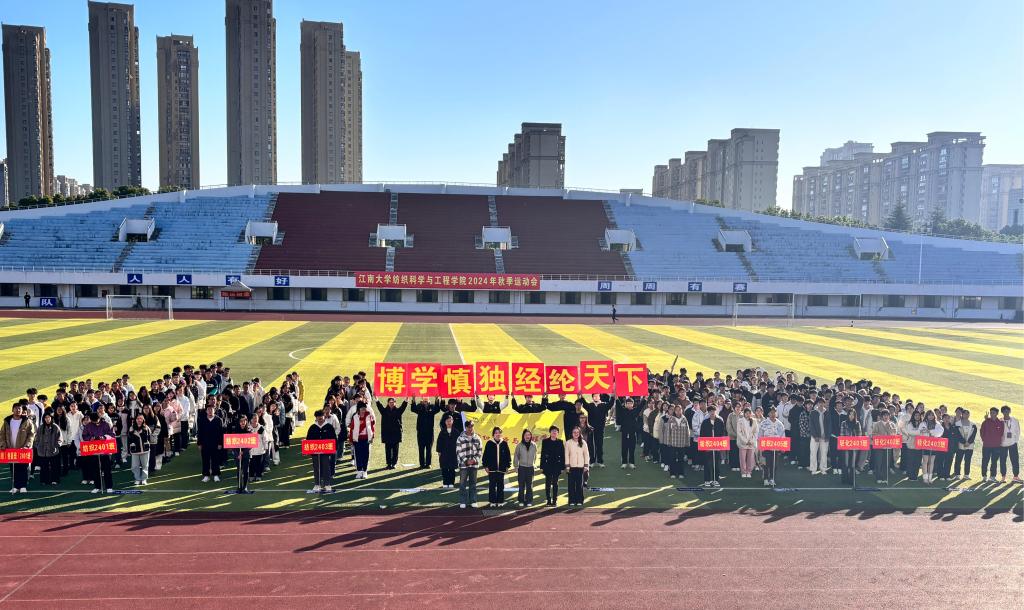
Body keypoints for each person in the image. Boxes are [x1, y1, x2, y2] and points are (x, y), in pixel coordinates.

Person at [1, 405, 36, 493]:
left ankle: (23, 486)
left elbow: (31, 434)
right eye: (16, 408)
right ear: (12, 410)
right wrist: (3, 444)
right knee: (13, 468)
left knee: (23, 468)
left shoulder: (27, 421)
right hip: (10, 449)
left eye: (19, 408)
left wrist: (27, 445)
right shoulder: (7, 421)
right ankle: (15, 486)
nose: (18, 410)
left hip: (23, 449)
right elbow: (2, 434)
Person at [81, 411, 114, 494]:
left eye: (96, 421)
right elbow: (84, 436)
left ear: (99, 418)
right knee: (95, 470)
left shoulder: (106, 424)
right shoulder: (88, 426)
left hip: (105, 450)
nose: (95, 422)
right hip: (94, 450)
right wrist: (90, 438)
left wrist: (104, 437)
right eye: (93, 421)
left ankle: (109, 487)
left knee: (107, 469)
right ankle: (97, 487)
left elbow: (112, 434)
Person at [482, 426, 512, 507]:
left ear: (501, 434)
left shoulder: (504, 443)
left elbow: (508, 456)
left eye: (499, 433)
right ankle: (492, 501)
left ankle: (500, 501)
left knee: (500, 486)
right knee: (492, 486)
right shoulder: (489, 443)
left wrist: (507, 466)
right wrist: (486, 466)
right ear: (493, 435)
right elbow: (485, 456)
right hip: (492, 470)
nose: (498, 434)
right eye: (496, 433)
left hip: (501, 469)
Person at [307, 410, 336, 493]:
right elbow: (308, 439)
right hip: (315, 452)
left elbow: (334, 438)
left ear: (324, 416)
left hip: (326, 452)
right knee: (316, 467)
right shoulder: (312, 427)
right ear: (316, 418)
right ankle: (317, 484)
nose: (320, 418)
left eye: (321, 416)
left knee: (326, 467)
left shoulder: (329, 427)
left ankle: (327, 484)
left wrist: (334, 449)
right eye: (318, 416)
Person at [456, 420, 483, 509]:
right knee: (462, 484)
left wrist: (474, 460)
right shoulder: (460, 438)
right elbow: (459, 451)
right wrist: (466, 461)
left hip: (474, 465)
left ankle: (473, 501)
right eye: (469, 427)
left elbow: (480, 451)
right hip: (464, 465)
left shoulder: (478, 438)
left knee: (473, 484)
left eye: (472, 426)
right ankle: (463, 501)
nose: (470, 428)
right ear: (465, 427)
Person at [377, 397, 408, 470]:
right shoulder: (384, 411)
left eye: (393, 402)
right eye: (390, 402)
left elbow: (403, 406)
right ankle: (388, 464)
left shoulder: (398, 411)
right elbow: (379, 406)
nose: (391, 403)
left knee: (395, 450)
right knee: (387, 449)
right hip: (387, 433)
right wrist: (376, 399)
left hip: (396, 433)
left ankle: (394, 463)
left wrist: (406, 399)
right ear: (388, 403)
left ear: (395, 403)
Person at [348, 401, 376, 480]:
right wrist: (350, 439)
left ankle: (365, 471)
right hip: (357, 440)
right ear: (358, 409)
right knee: (358, 456)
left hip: (366, 439)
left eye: (364, 408)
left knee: (365, 455)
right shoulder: (355, 417)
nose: (363, 410)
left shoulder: (369, 416)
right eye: (362, 409)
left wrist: (372, 437)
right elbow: (352, 429)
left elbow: (372, 427)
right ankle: (359, 471)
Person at [758, 408, 785, 487]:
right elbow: (760, 435)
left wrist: (783, 447)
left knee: (774, 464)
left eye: (774, 412)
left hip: (776, 447)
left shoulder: (780, 424)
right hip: (766, 446)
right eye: (771, 412)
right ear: (768, 413)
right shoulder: (763, 423)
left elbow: (782, 436)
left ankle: (772, 478)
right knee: (766, 463)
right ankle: (766, 479)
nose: (773, 414)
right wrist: (760, 446)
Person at [34, 413, 63, 486]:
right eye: (46, 417)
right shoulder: (41, 427)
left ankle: (54, 480)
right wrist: (37, 445)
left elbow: (60, 438)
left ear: (51, 418)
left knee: (54, 466)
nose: (47, 419)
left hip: (53, 450)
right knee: (44, 467)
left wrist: (56, 445)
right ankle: (44, 480)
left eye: (48, 417)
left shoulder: (55, 427)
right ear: (44, 419)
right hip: (42, 451)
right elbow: (36, 438)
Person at [196, 403, 223, 482]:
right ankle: (206, 475)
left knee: (215, 459)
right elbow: (200, 432)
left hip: (215, 443)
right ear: (206, 411)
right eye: (208, 409)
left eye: (212, 409)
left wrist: (220, 443)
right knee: (205, 460)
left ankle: (216, 475)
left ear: (214, 410)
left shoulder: (218, 420)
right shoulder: (202, 420)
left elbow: (221, 433)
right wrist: (199, 443)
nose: (210, 411)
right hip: (205, 443)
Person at [700, 406, 726, 487]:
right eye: (710, 411)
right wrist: (704, 446)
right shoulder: (705, 422)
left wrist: (720, 444)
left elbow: (723, 433)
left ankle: (715, 480)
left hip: (717, 445)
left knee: (716, 464)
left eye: (713, 411)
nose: (712, 413)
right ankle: (707, 480)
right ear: (708, 412)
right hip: (707, 445)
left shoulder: (720, 421)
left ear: (716, 412)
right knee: (707, 463)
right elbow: (702, 434)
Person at [662, 404, 690, 478]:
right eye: (676, 410)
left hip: (682, 443)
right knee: (672, 459)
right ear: (674, 411)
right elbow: (668, 431)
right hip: (673, 443)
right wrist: (667, 442)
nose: (678, 411)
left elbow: (687, 432)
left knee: (681, 459)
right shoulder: (671, 419)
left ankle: (681, 473)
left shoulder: (684, 419)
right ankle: (672, 473)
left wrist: (687, 442)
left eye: (679, 410)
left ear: (682, 410)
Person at [412, 397, 441, 468]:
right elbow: (413, 409)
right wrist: (413, 399)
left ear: (428, 400)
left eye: (426, 400)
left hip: (429, 432)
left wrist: (436, 400)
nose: (425, 401)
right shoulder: (419, 406)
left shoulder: (432, 407)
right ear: (422, 399)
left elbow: (437, 409)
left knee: (429, 448)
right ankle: (422, 464)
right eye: (424, 400)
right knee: (421, 448)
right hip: (420, 431)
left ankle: (428, 464)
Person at [870, 410, 898, 484]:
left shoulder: (892, 424)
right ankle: (878, 477)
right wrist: (882, 436)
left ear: (889, 416)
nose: (886, 417)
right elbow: (873, 434)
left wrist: (889, 429)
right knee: (878, 462)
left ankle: (884, 477)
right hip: (879, 446)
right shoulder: (877, 424)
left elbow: (894, 434)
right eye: (884, 415)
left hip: (888, 446)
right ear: (881, 416)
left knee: (886, 462)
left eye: (887, 415)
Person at [565, 426, 590, 507]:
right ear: (572, 433)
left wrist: (586, 466)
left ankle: (579, 500)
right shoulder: (568, 443)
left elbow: (586, 455)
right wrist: (567, 466)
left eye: (577, 432)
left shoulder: (583, 442)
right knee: (571, 485)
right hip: (571, 467)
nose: (576, 434)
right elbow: (566, 455)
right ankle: (571, 500)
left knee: (579, 485)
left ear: (580, 433)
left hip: (580, 467)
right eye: (574, 432)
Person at [540, 425, 565, 506]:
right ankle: (548, 500)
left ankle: (554, 500)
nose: (554, 432)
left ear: (558, 433)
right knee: (547, 483)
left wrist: (562, 467)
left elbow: (562, 455)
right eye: (553, 431)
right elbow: (543, 455)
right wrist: (542, 467)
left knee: (555, 483)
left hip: (557, 465)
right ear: (550, 432)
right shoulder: (545, 441)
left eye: (556, 431)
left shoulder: (560, 442)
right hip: (548, 465)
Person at [229, 414, 255, 493]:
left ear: (246, 421)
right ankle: (239, 486)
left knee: (246, 470)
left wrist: (243, 452)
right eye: (241, 421)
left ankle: (245, 487)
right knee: (239, 470)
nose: (243, 422)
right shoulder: (235, 431)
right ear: (239, 422)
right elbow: (232, 444)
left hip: (246, 454)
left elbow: (251, 444)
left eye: (244, 421)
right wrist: (237, 454)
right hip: (237, 454)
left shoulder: (249, 430)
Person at [616, 397, 643, 468]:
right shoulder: (623, 410)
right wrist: (616, 398)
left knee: (632, 448)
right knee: (624, 448)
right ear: (625, 404)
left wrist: (645, 399)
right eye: (628, 403)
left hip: (632, 432)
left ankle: (632, 462)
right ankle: (624, 462)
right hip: (624, 432)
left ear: (633, 404)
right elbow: (618, 405)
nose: (629, 405)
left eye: (631, 403)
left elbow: (640, 406)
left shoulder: (635, 411)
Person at [838, 409, 863, 485]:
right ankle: (844, 479)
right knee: (845, 463)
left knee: (852, 464)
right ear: (848, 415)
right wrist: (847, 441)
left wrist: (855, 440)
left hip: (854, 446)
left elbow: (859, 435)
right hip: (846, 446)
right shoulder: (844, 423)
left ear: (855, 416)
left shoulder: (857, 423)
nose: (851, 416)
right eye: (850, 414)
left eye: (853, 414)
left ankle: (852, 480)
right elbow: (842, 435)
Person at [979, 407, 1004, 482]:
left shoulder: (1000, 422)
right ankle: (984, 476)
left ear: (997, 413)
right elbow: (981, 432)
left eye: (993, 413)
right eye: (991, 413)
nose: (992, 414)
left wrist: (998, 442)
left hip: (996, 446)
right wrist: (984, 440)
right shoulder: (986, 421)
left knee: (994, 462)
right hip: (987, 445)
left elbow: (1001, 433)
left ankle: (992, 476)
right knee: (985, 461)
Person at [436, 413, 460, 488]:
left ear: (452, 421)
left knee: (452, 469)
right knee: (445, 469)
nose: (449, 422)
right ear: (445, 422)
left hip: (453, 454)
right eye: (447, 421)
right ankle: (445, 483)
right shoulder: (442, 432)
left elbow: (459, 443)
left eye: (450, 421)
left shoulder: (456, 432)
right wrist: (439, 451)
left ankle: (451, 483)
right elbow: (439, 443)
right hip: (444, 454)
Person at [126, 414, 151, 485]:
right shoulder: (131, 428)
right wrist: (129, 450)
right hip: (135, 450)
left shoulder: (146, 428)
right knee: (135, 466)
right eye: (138, 418)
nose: (139, 420)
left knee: (145, 465)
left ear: (143, 420)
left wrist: (148, 444)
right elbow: (128, 440)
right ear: (135, 420)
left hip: (145, 449)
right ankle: (137, 479)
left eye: (141, 418)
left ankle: (144, 479)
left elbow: (150, 438)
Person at [952, 409, 977, 480]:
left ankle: (966, 475)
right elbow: (957, 435)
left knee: (968, 460)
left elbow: (973, 435)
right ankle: (957, 474)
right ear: (962, 414)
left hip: (970, 445)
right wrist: (964, 442)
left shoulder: (973, 424)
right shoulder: (957, 424)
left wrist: (968, 442)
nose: (966, 415)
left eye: (967, 413)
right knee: (958, 460)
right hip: (960, 445)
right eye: (965, 413)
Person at [514, 429, 537, 506]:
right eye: (526, 435)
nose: (528, 436)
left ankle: (529, 501)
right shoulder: (519, 445)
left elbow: (535, 456)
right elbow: (516, 456)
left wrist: (534, 463)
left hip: (530, 468)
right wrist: (516, 466)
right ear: (523, 436)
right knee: (521, 485)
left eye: (529, 435)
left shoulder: (534, 445)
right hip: (522, 468)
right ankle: (521, 500)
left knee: (529, 485)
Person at [999, 406, 1021, 483]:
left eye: (1008, 411)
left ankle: (1016, 476)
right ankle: (1003, 477)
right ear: (1002, 412)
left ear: (1010, 411)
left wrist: (1015, 441)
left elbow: (1018, 431)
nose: (1006, 413)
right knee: (1002, 461)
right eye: (1005, 411)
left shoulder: (1015, 420)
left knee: (1015, 460)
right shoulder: (1000, 421)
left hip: (1013, 443)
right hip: (1002, 444)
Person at [809, 399, 830, 475]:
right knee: (813, 453)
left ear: (824, 404)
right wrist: (815, 436)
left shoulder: (827, 413)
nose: (821, 404)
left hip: (824, 437)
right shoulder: (813, 413)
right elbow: (811, 425)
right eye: (819, 403)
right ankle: (813, 469)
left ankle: (823, 469)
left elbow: (829, 425)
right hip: (815, 437)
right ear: (817, 404)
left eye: (822, 403)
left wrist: (827, 436)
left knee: (824, 453)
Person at [902, 411, 924, 482]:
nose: (917, 417)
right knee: (911, 461)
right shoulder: (910, 424)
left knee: (917, 462)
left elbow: (924, 433)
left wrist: (919, 432)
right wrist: (920, 431)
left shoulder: (922, 423)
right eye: (916, 415)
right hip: (911, 445)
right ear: (913, 416)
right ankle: (910, 476)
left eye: (918, 415)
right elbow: (911, 432)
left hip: (919, 445)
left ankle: (915, 476)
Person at [736, 407, 758, 478]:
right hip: (743, 443)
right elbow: (739, 432)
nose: (748, 414)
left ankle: (749, 471)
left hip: (751, 443)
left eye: (749, 413)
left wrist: (751, 441)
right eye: (746, 413)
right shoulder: (740, 421)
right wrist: (745, 441)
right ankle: (743, 472)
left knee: (750, 458)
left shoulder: (754, 421)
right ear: (744, 414)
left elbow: (756, 432)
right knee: (742, 458)